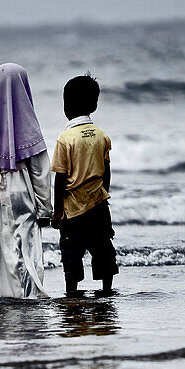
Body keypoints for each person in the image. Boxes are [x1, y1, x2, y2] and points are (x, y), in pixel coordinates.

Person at [0, 64, 53, 299]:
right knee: (24, 246)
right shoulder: (28, 124)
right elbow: (40, 172)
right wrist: (45, 210)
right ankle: (27, 294)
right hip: (19, 190)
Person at [51, 74, 118, 297]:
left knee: (72, 254)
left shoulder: (65, 139)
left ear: (66, 105)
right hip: (99, 205)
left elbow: (60, 179)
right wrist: (102, 193)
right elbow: (106, 172)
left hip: (73, 211)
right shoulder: (102, 136)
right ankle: (106, 289)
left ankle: (72, 292)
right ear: (94, 105)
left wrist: (57, 212)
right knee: (103, 250)